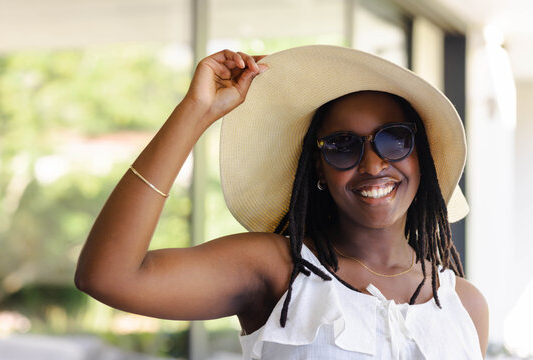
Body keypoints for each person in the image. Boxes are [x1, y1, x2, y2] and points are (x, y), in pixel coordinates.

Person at [75, 45, 489, 359]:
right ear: (319, 170)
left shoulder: (464, 304)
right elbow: (108, 276)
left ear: (422, 157)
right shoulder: (278, 269)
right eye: (342, 145)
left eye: (394, 139)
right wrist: (195, 112)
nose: (373, 163)